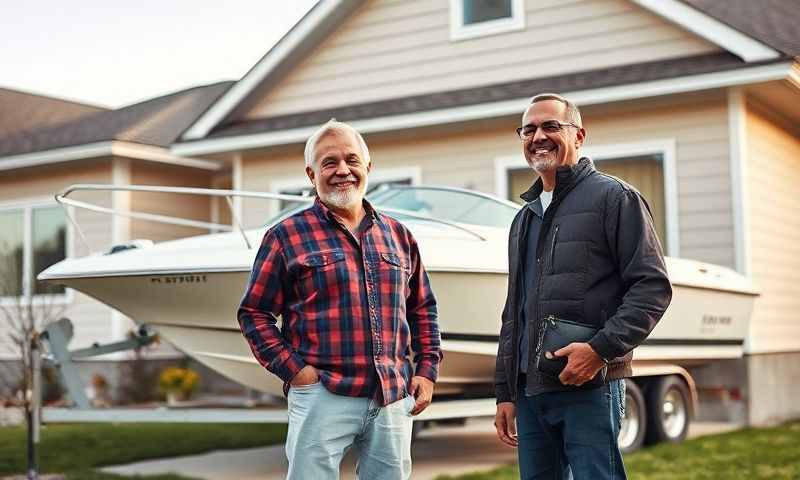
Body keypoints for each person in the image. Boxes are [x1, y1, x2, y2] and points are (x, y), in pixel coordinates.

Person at [237, 119, 441, 480]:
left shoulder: (399, 236)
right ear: (310, 173)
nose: (342, 171)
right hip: (321, 394)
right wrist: (297, 373)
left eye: (351, 160)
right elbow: (254, 313)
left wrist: (426, 370)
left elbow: (422, 307)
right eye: (329, 162)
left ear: (368, 169)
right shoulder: (285, 236)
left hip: (392, 396)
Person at [494, 93, 672, 479]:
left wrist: (598, 350)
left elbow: (652, 288)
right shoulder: (523, 219)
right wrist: (505, 393)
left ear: (579, 136)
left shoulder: (615, 198)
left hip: (590, 386)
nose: (538, 136)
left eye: (550, 126)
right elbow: (514, 313)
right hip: (530, 392)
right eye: (529, 129)